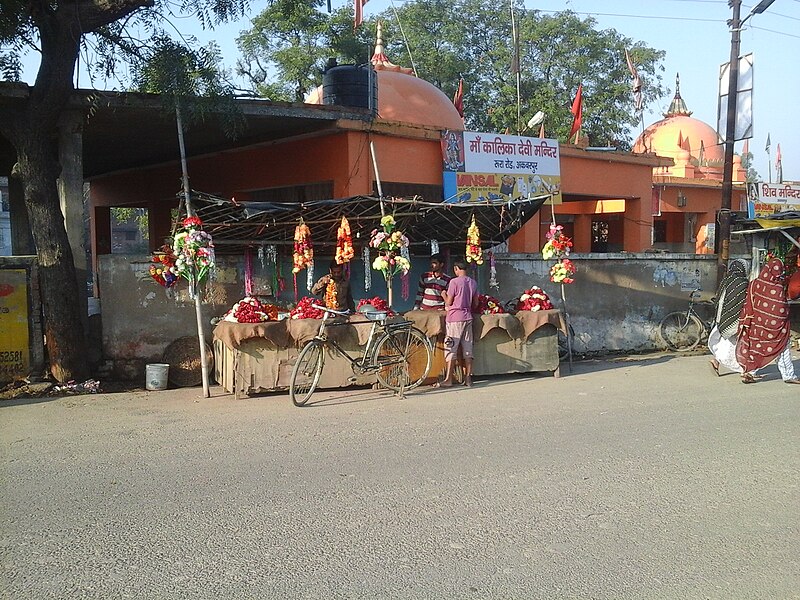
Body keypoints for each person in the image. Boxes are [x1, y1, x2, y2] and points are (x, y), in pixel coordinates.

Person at [735, 257, 800, 384]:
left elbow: (749, 302)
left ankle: (749, 372)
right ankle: (788, 375)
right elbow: (781, 310)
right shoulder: (777, 287)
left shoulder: (754, 283)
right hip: (777, 329)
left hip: (757, 325)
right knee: (782, 347)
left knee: (756, 348)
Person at [437, 259, 479, 388]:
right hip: (468, 317)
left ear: (456, 269)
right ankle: (468, 379)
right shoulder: (473, 282)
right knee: (468, 348)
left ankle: (448, 379)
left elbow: (449, 302)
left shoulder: (454, 282)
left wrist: (443, 294)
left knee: (451, 347)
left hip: (455, 318)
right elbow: (476, 303)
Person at [708, 259, 749, 377]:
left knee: (724, 342)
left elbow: (719, 296)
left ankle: (716, 361)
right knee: (739, 343)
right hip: (735, 318)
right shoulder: (742, 282)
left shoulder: (726, 280)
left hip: (721, 316)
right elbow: (743, 302)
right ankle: (744, 370)